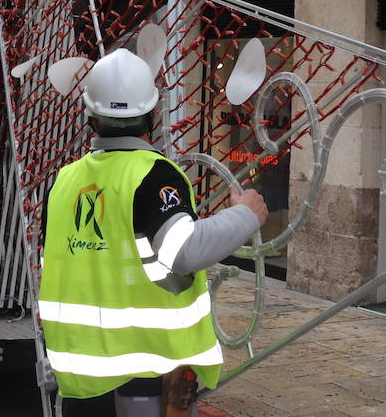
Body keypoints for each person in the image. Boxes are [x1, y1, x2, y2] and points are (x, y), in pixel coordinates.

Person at [38, 48, 267, 416]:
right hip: (146, 376)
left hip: (80, 378)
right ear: (154, 114)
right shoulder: (152, 175)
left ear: (90, 117)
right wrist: (245, 215)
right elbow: (184, 250)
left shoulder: (64, 182)